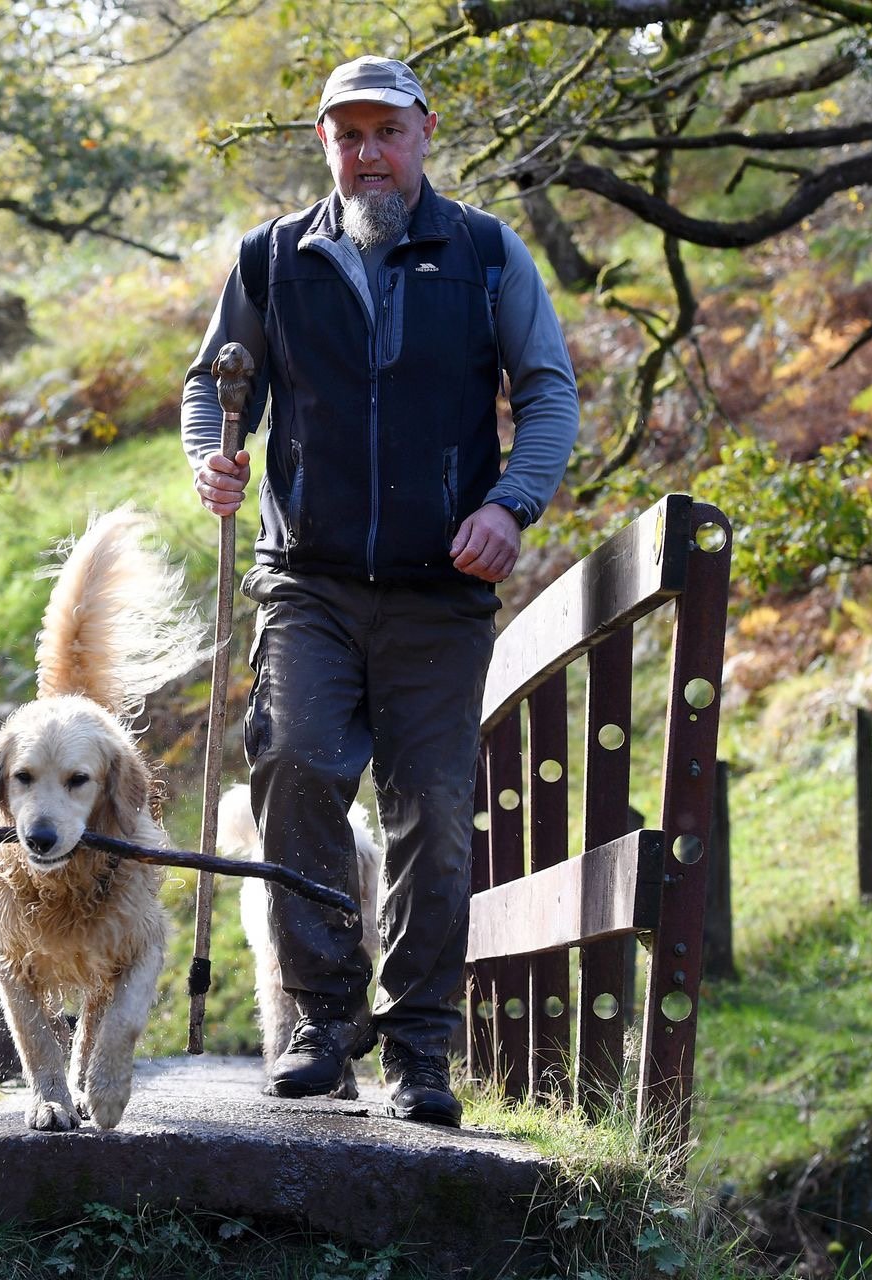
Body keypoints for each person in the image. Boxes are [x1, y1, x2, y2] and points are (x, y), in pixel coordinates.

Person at [181, 54, 578, 1126]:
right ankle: (315, 1021)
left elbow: (547, 392)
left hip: (439, 587)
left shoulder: (487, 255)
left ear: (423, 134)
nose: (368, 152)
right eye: (347, 133)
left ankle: (419, 1048)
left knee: (434, 813)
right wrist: (212, 457)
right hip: (305, 578)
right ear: (325, 144)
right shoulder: (273, 260)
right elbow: (212, 385)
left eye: (385, 131)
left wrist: (512, 503)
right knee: (298, 761)